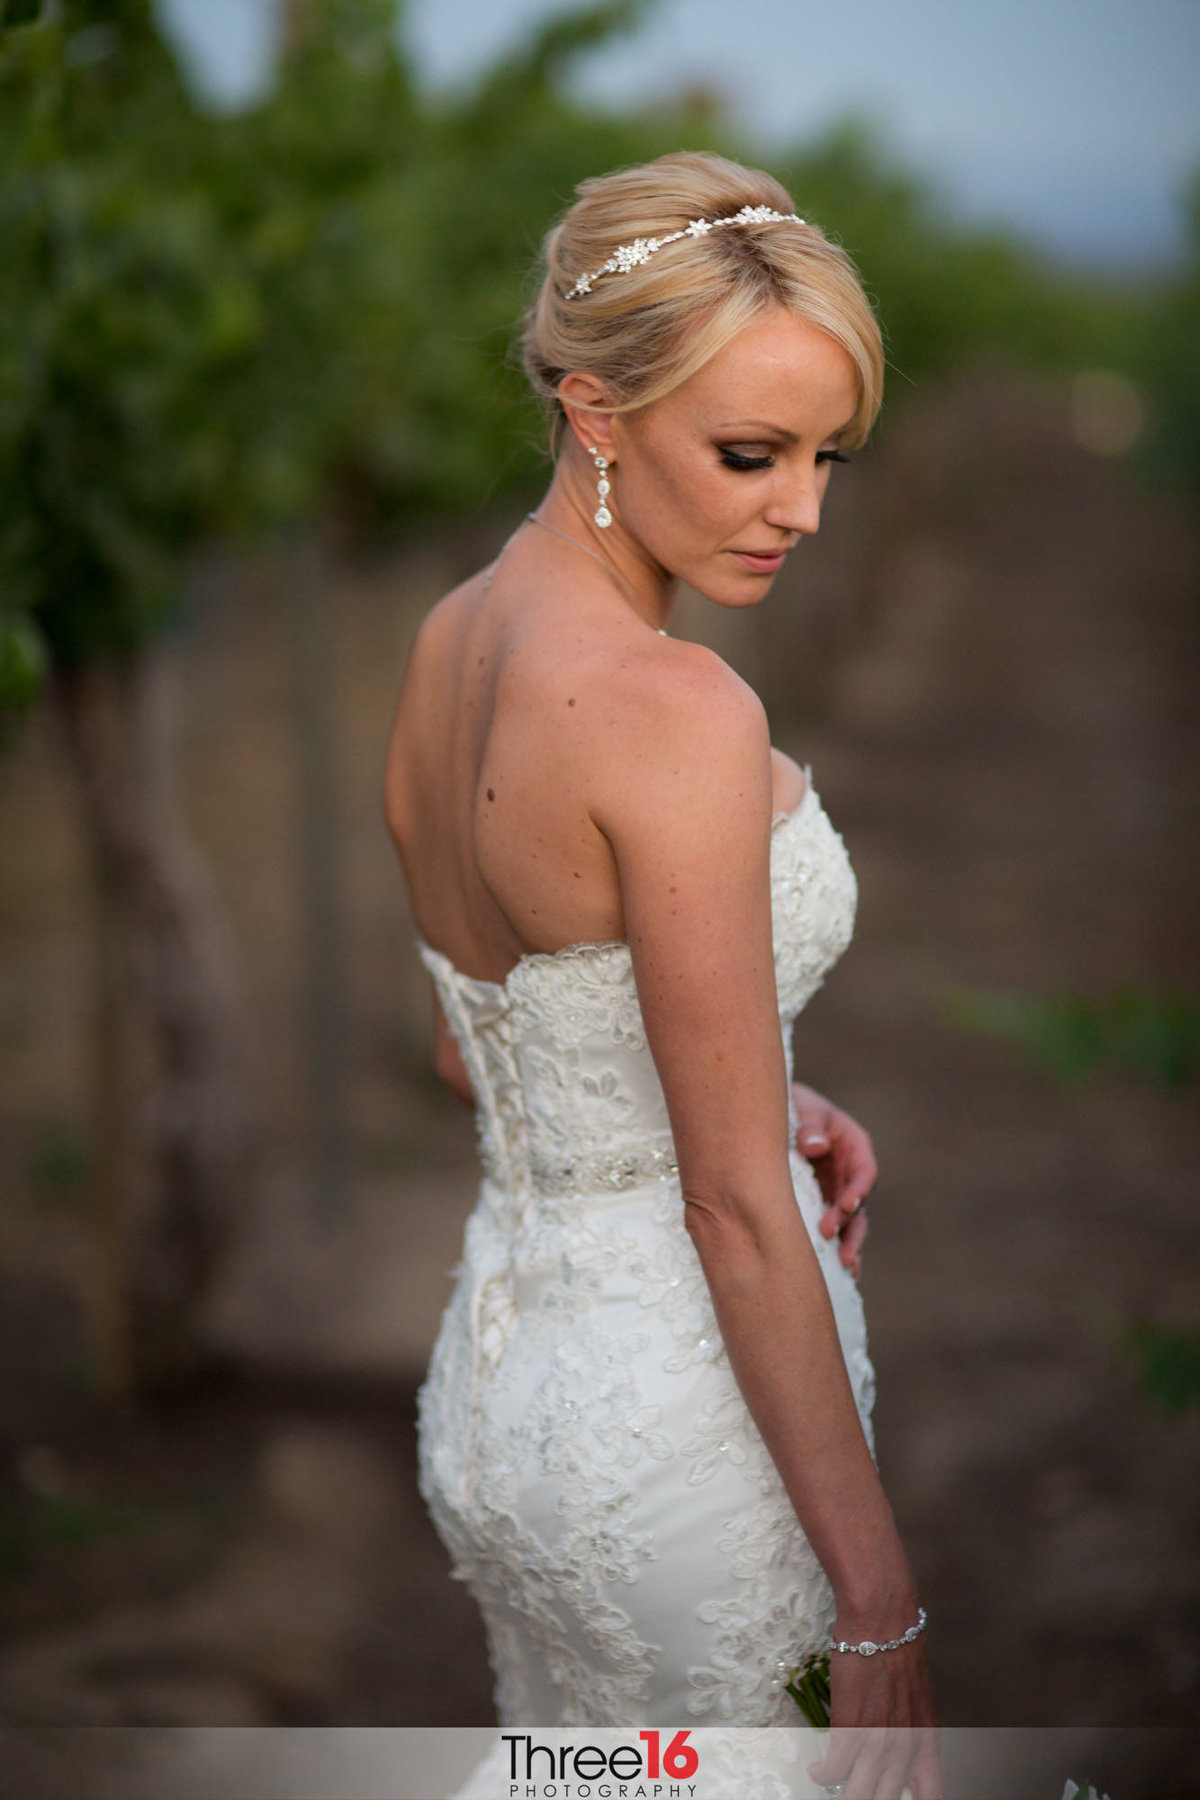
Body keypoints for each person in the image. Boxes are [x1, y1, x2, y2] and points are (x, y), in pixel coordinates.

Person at [383, 150, 941, 1799]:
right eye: (752, 454)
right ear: (595, 411)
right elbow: (730, 1209)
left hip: (500, 1408)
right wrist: (884, 1607)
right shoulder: (675, 706)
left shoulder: (450, 642)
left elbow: (470, 1048)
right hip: (678, 1433)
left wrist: (761, 1078)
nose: (804, 510)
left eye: (828, 456)